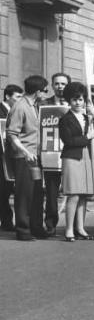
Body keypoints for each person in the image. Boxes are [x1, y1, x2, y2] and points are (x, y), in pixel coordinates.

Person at [6, 75, 49, 241]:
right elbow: (12, 134)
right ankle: (22, 229)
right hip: (24, 157)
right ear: (38, 92)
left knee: (37, 192)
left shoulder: (35, 106)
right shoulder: (20, 106)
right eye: (45, 90)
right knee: (24, 193)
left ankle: (36, 227)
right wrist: (25, 152)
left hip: (35, 156)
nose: (46, 93)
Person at [59, 82, 94, 242]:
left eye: (80, 99)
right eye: (74, 99)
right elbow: (68, 140)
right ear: (69, 100)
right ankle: (69, 230)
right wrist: (87, 137)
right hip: (72, 157)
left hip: (87, 157)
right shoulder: (65, 119)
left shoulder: (87, 118)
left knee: (83, 195)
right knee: (73, 194)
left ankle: (80, 228)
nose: (77, 102)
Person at [40, 72, 71, 236]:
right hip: (51, 154)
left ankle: (73, 226)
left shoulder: (74, 104)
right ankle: (50, 224)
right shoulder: (44, 104)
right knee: (51, 192)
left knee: (74, 191)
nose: (60, 87)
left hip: (70, 153)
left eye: (63, 84)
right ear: (52, 85)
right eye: (57, 83)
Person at [0, 84, 23, 231]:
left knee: (7, 188)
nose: (20, 100)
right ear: (8, 97)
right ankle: (7, 221)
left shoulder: (17, 111)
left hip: (11, 155)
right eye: (17, 97)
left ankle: (7, 220)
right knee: (3, 189)